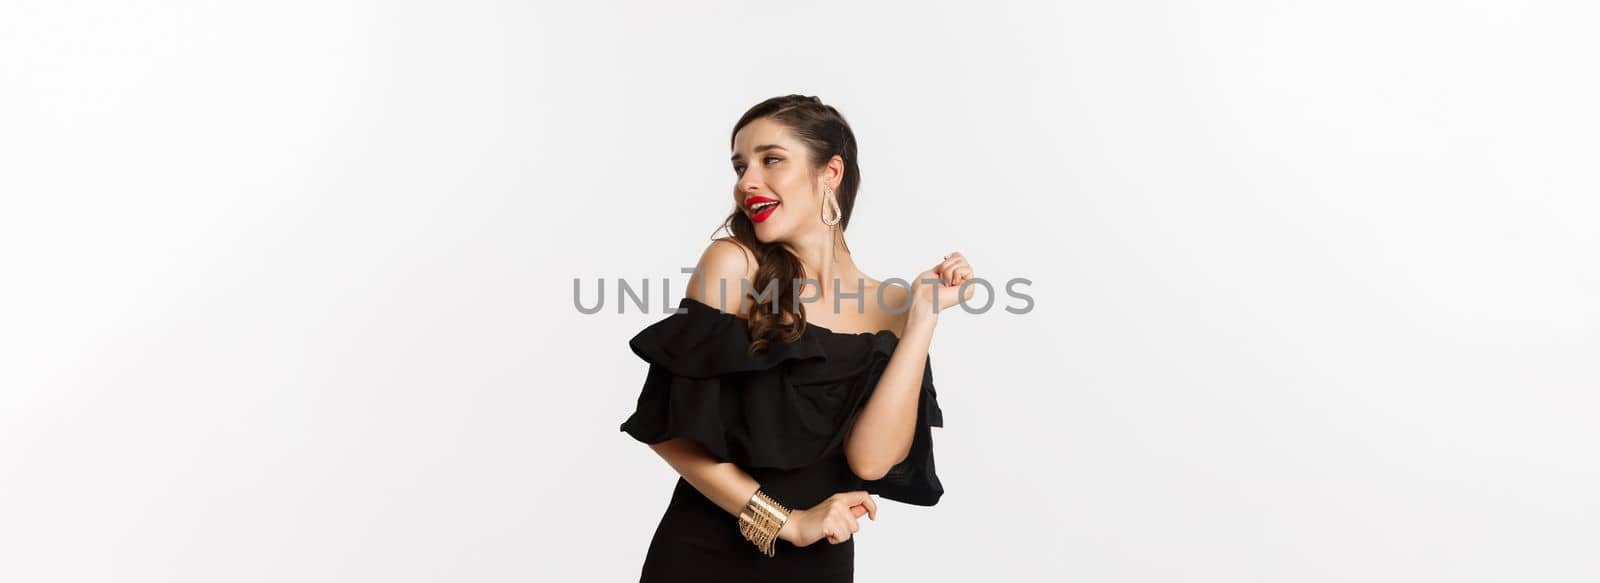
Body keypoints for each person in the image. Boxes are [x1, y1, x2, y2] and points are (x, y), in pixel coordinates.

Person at [619, 94, 975, 582]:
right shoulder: (734, 265)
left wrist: (923, 318)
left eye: (771, 160)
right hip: (705, 557)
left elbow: (870, 462)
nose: (747, 182)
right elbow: (670, 431)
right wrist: (785, 523)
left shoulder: (892, 304)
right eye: (740, 165)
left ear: (830, 172)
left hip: (820, 562)